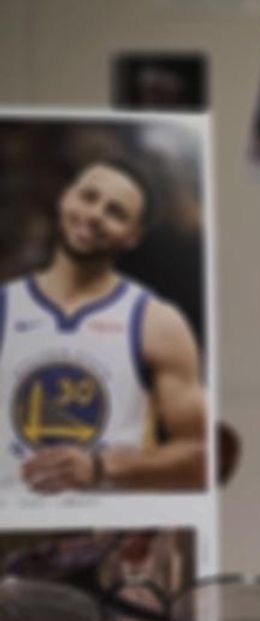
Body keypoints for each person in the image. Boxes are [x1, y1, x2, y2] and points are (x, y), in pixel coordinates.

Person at [0, 158, 207, 494]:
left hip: (109, 521)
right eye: (88, 197)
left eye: (116, 212)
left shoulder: (157, 322)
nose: (95, 214)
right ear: (65, 197)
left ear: (132, 236)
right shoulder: (6, 306)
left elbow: (201, 456)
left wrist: (101, 467)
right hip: (12, 519)